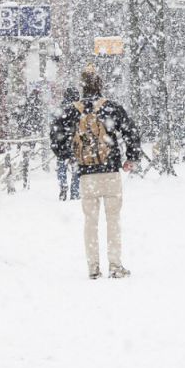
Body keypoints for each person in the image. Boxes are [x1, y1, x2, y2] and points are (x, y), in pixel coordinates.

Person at [50, 69, 142, 280]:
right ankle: (115, 265)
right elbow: (131, 131)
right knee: (113, 220)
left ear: (83, 87)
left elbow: (55, 136)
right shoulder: (111, 107)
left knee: (90, 222)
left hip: (86, 174)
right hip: (110, 172)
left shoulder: (72, 110)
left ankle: (93, 267)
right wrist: (131, 157)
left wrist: (68, 155)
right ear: (101, 86)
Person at [55, 86, 81, 202]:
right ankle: (75, 192)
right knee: (76, 168)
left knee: (62, 165)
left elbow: (55, 127)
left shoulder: (60, 109)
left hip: (62, 141)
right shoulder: (79, 109)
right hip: (75, 142)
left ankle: (63, 184)